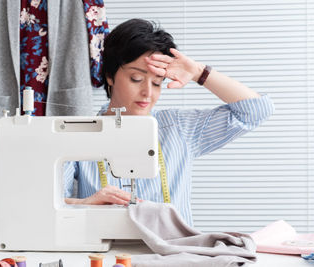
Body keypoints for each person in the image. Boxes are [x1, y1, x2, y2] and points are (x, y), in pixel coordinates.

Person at [64, 18, 274, 226]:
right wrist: (85, 204)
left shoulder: (179, 128)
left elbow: (255, 111)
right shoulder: (81, 135)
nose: (148, 93)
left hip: (173, 254)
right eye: (136, 79)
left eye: (157, 83)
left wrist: (199, 73)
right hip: (106, 254)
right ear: (110, 76)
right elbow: (47, 204)